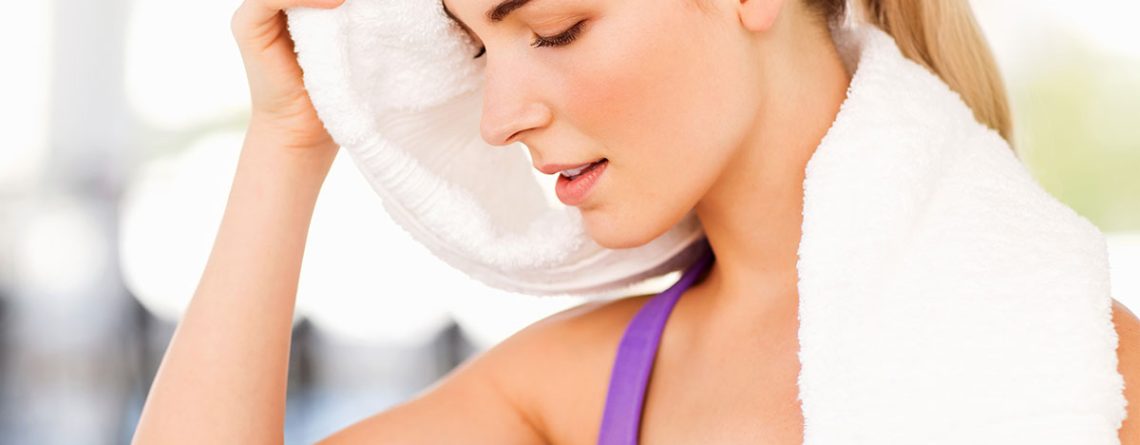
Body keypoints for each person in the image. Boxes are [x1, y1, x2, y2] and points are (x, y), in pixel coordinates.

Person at [132, 0, 1140, 443]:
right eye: (479, 51)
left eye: (555, 29)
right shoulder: (575, 388)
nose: (497, 116)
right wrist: (288, 139)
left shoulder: (1081, 365)